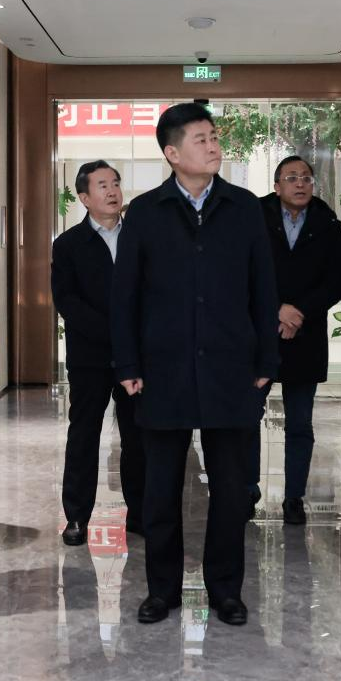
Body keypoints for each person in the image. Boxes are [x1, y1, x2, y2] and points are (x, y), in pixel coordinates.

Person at [111, 102, 279, 627]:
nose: (213, 146)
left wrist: (267, 357)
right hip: (163, 369)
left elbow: (263, 287)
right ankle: (161, 590)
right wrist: (128, 362)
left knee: (231, 491)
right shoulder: (145, 212)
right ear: (172, 153)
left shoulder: (244, 207)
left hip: (232, 368)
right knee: (160, 490)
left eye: (214, 137)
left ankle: (225, 590)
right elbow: (125, 296)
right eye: (201, 139)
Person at [248, 155, 341, 525]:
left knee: (300, 423)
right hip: (261, 333)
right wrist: (277, 310)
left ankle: (294, 497)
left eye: (306, 177)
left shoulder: (327, 222)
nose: (301, 183)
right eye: (292, 177)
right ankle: (248, 489)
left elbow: (336, 280)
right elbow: (242, 271)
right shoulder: (254, 217)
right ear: (277, 186)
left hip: (305, 333)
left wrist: (298, 312)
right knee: (248, 416)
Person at [52, 159, 145, 546]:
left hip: (137, 357)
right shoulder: (68, 244)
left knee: (138, 436)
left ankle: (140, 513)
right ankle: (76, 516)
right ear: (84, 197)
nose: (112, 191)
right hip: (89, 357)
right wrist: (114, 332)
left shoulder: (140, 239)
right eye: (102, 185)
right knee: (84, 435)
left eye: (115, 183)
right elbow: (67, 301)